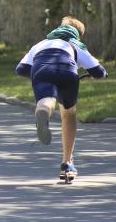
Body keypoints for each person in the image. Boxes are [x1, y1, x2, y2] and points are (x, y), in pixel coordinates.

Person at [15, 16, 107, 180]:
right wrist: (103, 73)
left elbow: (20, 69)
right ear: (77, 35)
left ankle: (43, 112)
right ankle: (67, 162)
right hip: (67, 71)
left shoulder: (41, 44)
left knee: (47, 100)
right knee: (68, 112)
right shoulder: (75, 45)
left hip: (41, 70)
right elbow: (98, 72)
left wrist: (39, 74)